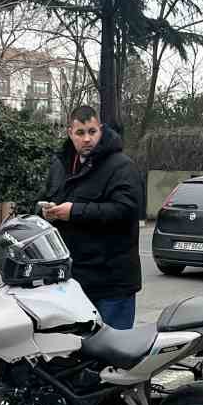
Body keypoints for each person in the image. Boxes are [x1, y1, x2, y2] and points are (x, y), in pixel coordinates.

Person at [41, 104, 142, 329]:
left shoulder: (121, 166)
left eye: (92, 132)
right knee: (79, 355)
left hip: (112, 284)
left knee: (115, 354)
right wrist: (45, 211)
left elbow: (125, 210)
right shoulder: (61, 166)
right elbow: (44, 196)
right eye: (80, 133)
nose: (87, 139)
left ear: (101, 130)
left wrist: (73, 212)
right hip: (74, 282)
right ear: (70, 133)